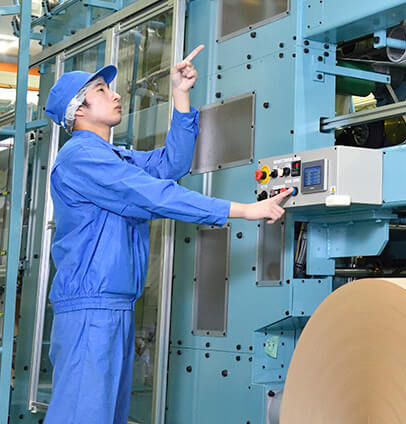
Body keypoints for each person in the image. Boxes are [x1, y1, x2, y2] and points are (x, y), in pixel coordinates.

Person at [42, 44, 288, 424]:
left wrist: (180, 95)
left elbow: (171, 164)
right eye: (102, 91)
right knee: (82, 416)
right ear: (78, 111)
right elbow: (154, 194)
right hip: (91, 310)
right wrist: (242, 210)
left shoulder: (116, 157)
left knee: (105, 416)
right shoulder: (81, 158)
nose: (116, 95)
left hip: (115, 307)